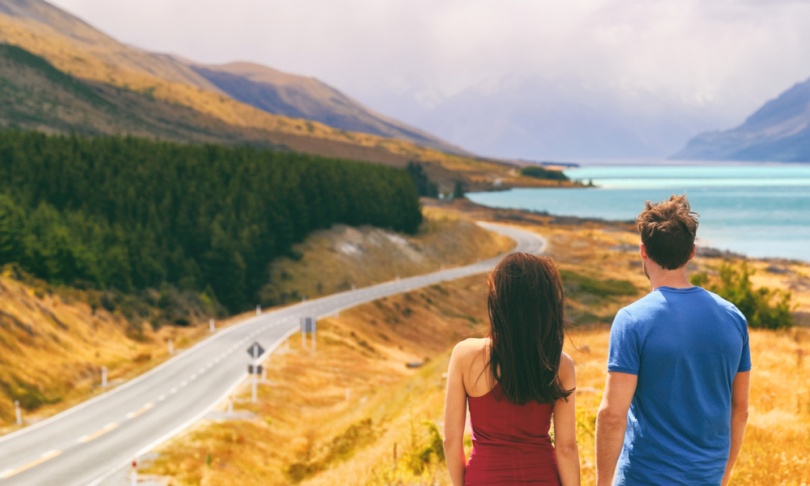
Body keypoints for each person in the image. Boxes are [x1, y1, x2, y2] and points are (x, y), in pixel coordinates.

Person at [595, 194, 751, 485]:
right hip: (708, 476)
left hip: (644, 477)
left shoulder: (632, 320)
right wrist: (723, 473)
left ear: (643, 251)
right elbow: (740, 409)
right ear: (691, 252)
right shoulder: (734, 318)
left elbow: (613, 415)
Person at [443, 252, 580, 485]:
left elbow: (450, 441)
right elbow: (566, 447)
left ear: (497, 300)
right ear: (546, 305)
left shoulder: (464, 355)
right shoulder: (560, 364)